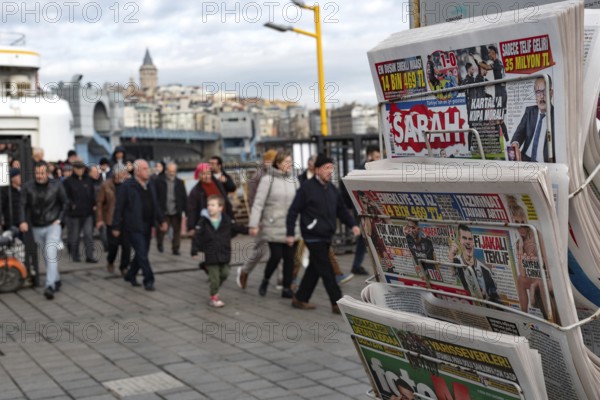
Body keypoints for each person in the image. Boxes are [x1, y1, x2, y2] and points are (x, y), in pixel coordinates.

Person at [286, 154, 361, 313]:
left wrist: (353, 225)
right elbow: (293, 211)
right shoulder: (306, 187)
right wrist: (290, 232)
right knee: (326, 269)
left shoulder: (332, 189)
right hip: (312, 235)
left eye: (331, 168)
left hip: (326, 235)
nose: (330, 171)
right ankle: (337, 303)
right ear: (317, 170)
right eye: (326, 168)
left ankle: (300, 298)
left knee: (314, 268)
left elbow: (341, 210)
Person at [249, 150, 299, 298]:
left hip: (291, 226)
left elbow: (300, 203)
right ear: (278, 164)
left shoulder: (295, 180)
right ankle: (265, 280)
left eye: (291, 161)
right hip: (273, 225)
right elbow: (258, 203)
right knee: (276, 256)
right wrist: (253, 224)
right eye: (286, 162)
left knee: (290, 258)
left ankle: (286, 287)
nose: (289, 164)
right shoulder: (267, 180)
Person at [112, 159, 167, 291]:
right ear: (136, 171)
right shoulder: (127, 186)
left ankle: (130, 275)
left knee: (141, 253)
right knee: (142, 253)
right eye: (144, 168)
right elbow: (119, 207)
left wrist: (161, 220)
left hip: (148, 225)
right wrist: (116, 226)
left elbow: (156, 205)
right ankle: (149, 280)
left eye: (147, 168)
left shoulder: (150, 185)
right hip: (133, 226)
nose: (147, 171)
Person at [19, 161, 68, 300]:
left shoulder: (57, 185)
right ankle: (56, 279)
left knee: (50, 253)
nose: (39, 176)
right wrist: (22, 221)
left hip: (53, 225)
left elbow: (65, 203)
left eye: (42, 173)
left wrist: (60, 219)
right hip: (36, 226)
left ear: (47, 173)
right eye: (37, 173)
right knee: (46, 255)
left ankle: (49, 285)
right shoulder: (28, 187)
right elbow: (22, 205)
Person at [197, 195, 248, 307]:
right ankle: (214, 297)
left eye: (213, 205)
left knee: (225, 273)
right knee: (214, 278)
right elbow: (198, 235)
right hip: (210, 254)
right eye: (208, 205)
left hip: (224, 253)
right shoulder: (204, 221)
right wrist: (194, 249)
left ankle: (214, 287)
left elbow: (236, 228)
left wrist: (249, 230)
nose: (210, 207)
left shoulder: (226, 220)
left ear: (220, 208)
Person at [237, 149, 278, 289]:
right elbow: (253, 200)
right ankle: (245, 271)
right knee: (261, 250)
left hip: (278, 218)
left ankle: (283, 280)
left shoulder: (279, 175)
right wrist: (257, 221)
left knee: (280, 249)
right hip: (263, 218)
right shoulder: (257, 177)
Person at [510, 204, 557, 322]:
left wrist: (549, 277)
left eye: (522, 221)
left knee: (540, 282)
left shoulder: (536, 234)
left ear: (526, 220)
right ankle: (524, 316)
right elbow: (523, 273)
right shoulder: (518, 243)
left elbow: (546, 258)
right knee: (520, 279)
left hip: (544, 276)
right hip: (532, 277)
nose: (521, 226)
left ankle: (550, 319)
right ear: (512, 222)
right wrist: (520, 246)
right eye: (516, 222)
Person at [187, 163, 233, 257]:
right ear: (198, 175)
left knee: (223, 246)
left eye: (208, 173)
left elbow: (225, 200)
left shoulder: (217, 184)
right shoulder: (195, 191)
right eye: (203, 174)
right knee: (211, 247)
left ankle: (221, 265)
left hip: (222, 220)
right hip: (208, 223)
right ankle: (211, 265)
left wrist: (231, 216)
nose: (207, 176)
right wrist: (191, 227)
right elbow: (192, 210)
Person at [350, 146, 381, 276]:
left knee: (366, 239)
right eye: (377, 157)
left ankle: (357, 265)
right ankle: (358, 265)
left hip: (372, 209)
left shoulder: (377, 169)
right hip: (363, 209)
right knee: (366, 238)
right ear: (369, 156)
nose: (379, 159)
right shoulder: (360, 170)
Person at [449, 224, 500, 303]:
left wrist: (488, 296)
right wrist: (451, 257)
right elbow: (452, 277)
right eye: (464, 238)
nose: (468, 242)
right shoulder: (455, 261)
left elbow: (495, 296)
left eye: (470, 239)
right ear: (459, 240)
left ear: (474, 242)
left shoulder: (485, 270)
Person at [96, 164, 131, 276]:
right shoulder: (106, 185)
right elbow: (100, 203)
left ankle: (124, 267)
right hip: (111, 218)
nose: (124, 176)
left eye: (125, 174)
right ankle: (110, 261)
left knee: (127, 245)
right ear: (116, 174)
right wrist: (100, 219)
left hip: (125, 220)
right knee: (113, 246)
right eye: (122, 174)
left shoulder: (128, 185)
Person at [510, 76, 555, 162]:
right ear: (535, 95)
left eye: (545, 91)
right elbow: (520, 132)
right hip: (524, 159)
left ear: (551, 93)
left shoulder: (556, 116)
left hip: (544, 164)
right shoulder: (529, 111)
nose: (541, 96)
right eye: (538, 92)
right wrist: (515, 144)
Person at [63, 161, 97, 263]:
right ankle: (75, 255)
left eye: (81, 168)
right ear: (74, 169)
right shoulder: (68, 181)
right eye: (78, 168)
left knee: (88, 234)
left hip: (87, 212)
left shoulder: (88, 180)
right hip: (74, 214)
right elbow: (65, 197)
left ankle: (89, 255)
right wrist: (71, 205)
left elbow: (92, 194)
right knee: (75, 236)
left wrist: (93, 204)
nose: (80, 170)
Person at [155, 162, 187, 255]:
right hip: (164, 210)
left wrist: (186, 211)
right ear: (166, 171)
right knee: (162, 230)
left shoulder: (180, 182)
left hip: (176, 210)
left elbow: (184, 197)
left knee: (177, 231)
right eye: (170, 171)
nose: (172, 173)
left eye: (174, 171)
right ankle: (160, 243)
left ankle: (175, 248)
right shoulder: (159, 181)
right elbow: (155, 196)